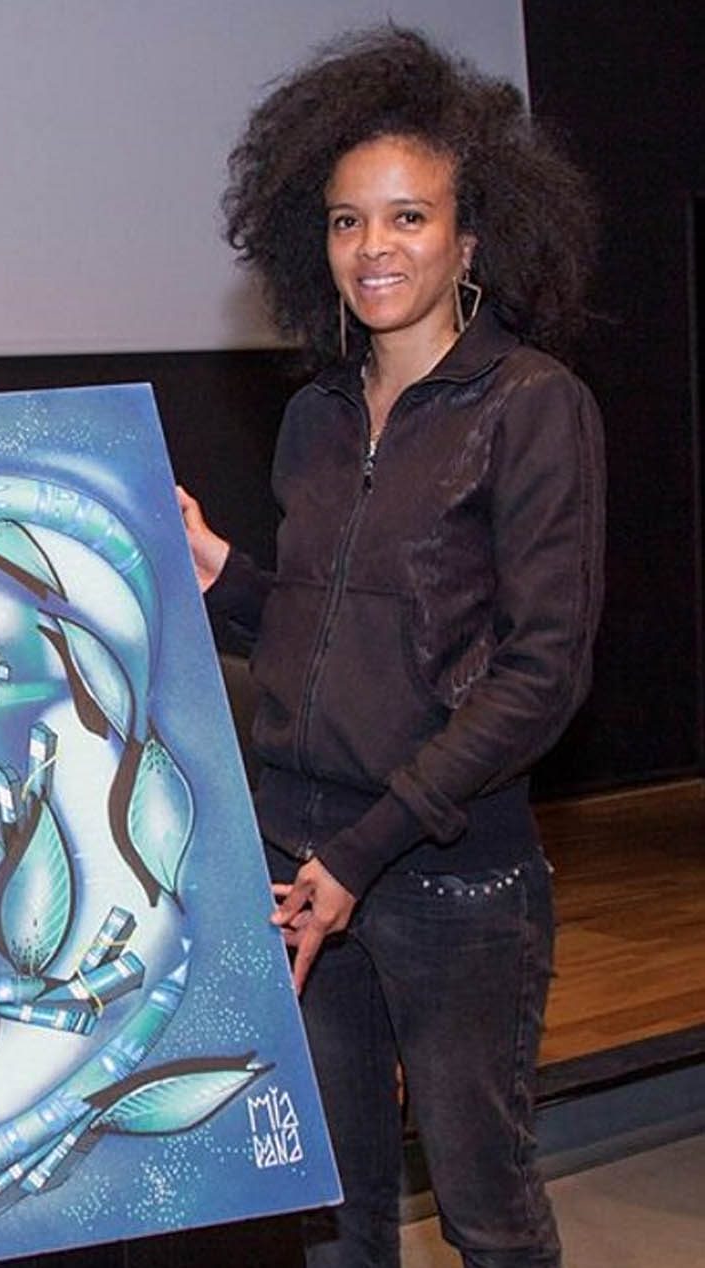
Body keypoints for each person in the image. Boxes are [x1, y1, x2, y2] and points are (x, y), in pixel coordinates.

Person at [178, 27, 603, 1268]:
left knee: (488, 1217)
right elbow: (326, 624)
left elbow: (542, 673)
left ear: (470, 241)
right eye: (347, 220)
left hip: (447, 877)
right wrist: (222, 576)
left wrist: (362, 851)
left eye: (410, 216)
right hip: (293, 864)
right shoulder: (314, 418)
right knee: (336, 1216)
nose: (375, 247)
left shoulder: (531, 406)